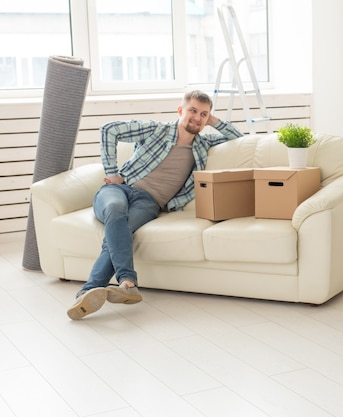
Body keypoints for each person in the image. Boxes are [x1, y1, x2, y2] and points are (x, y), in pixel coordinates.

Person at [67, 90, 243, 320]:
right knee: (115, 210)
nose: (197, 118)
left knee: (121, 229)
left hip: (149, 203)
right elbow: (109, 130)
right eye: (192, 111)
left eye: (203, 114)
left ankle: (89, 291)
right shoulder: (156, 130)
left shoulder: (203, 144)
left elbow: (238, 137)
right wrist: (112, 174)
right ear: (180, 111)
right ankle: (127, 283)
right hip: (117, 189)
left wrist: (212, 120)